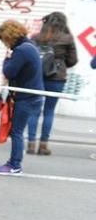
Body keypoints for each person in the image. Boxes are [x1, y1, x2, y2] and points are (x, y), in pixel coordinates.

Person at [0, 20, 43, 176]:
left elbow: (9, 72)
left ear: (9, 37)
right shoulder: (30, 46)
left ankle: (15, 165)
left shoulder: (21, 51)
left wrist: (7, 58)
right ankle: (14, 163)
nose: (4, 44)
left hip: (26, 97)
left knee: (16, 132)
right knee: (17, 131)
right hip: (33, 95)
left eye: (4, 41)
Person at [26, 12, 78, 155]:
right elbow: (73, 60)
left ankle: (30, 144)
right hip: (56, 78)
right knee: (49, 111)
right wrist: (60, 62)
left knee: (34, 110)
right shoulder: (67, 38)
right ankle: (43, 145)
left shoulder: (36, 38)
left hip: (37, 77)